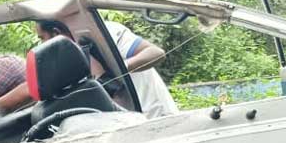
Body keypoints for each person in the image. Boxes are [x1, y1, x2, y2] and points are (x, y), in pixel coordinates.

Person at [34, 19, 178, 119]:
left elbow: (155, 53)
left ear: (56, 33)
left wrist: (118, 68)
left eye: (42, 38)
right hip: (127, 124)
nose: (42, 43)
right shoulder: (70, 57)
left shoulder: (107, 34)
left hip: (156, 116)